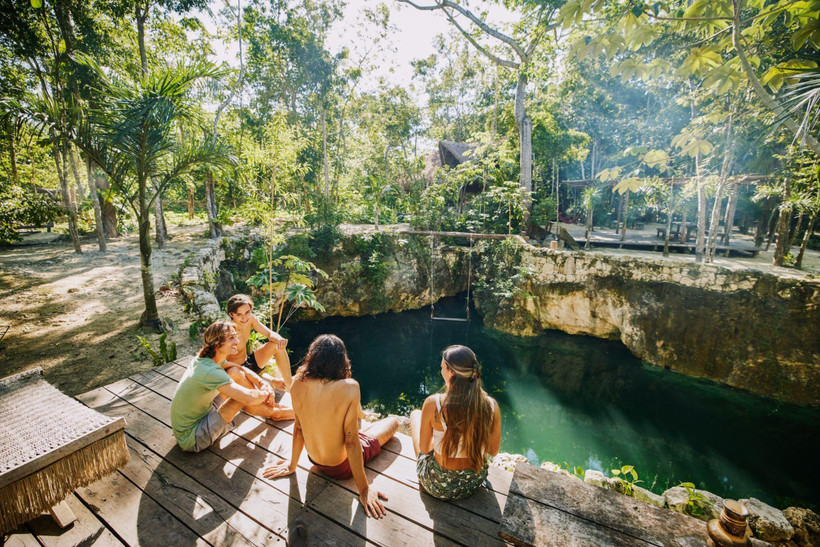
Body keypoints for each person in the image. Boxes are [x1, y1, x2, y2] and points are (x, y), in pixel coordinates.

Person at [262, 334, 399, 519]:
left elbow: (298, 427)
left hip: (314, 460)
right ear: (341, 360)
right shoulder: (350, 387)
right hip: (341, 468)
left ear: (312, 356)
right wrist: (364, 489)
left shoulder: (296, 382)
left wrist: (291, 465)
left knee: (358, 431)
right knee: (392, 422)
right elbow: (351, 442)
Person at [170, 321, 283, 452]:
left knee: (236, 373)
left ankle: (269, 411)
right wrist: (267, 390)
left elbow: (239, 368)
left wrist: (261, 383)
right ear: (217, 344)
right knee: (240, 398)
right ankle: (275, 413)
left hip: (202, 413)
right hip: (192, 438)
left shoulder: (207, 359)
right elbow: (249, 398)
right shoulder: (210, 371)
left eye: (235, 336)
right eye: (231, 338)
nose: (237, 341)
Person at [410, 345, 501, 500]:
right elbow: (492, 451)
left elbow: (424, 449)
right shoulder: (491, 405)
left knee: (415, 415)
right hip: (473, 483)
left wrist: (443, 440)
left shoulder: (434, 403)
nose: (441, 371)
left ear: (451, 372)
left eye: (442, 367)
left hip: (438, 486)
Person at [225, 294, 292, 390]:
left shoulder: (250, 319)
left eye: (247, 312)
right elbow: (219, 362)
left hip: (249, 363)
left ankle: (289, 386)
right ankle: (267, 379)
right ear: (231, 314)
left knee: (277, 345)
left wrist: (280, 339)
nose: (244, 318)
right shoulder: (227, 332)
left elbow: (269, 334)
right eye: (239, 314)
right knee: (260, 395)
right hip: (237, 372)